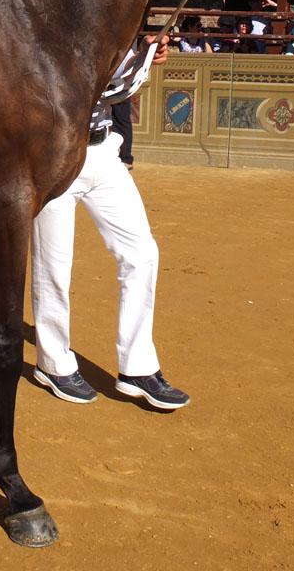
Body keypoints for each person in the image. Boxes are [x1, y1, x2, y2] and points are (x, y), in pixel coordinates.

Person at [30, 33, 190, 411]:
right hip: (55, 156)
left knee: (141, 253)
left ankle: (137, 367)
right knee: (54, 267)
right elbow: (89, 83)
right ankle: (53, 362)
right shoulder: (51, 24)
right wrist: (139, 61)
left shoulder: (111, 24)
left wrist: (143, 53)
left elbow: (114, 86)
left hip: (103, 153)